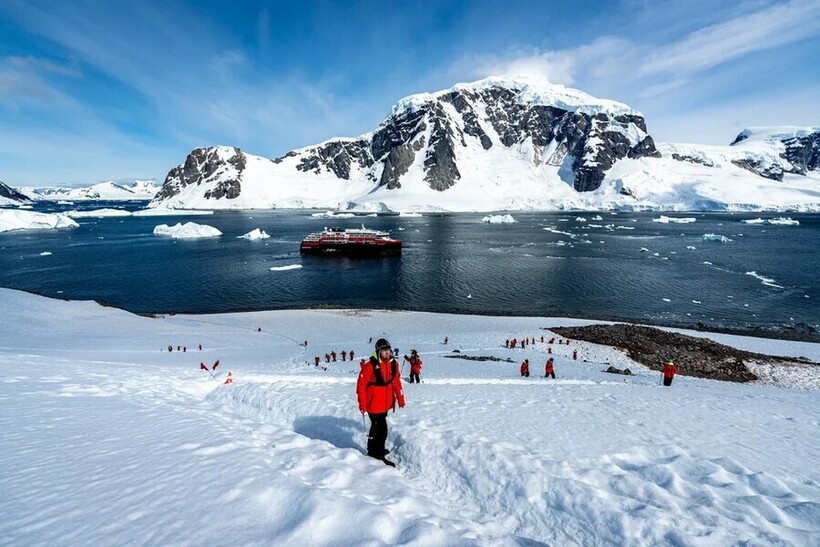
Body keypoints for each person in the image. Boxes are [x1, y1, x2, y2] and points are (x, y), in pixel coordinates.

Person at [357, 338, 405, 467]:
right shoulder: (369, 366)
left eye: (388, 351)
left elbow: (396, 382)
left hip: (385, 404)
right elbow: (361, 386)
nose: (386, 353)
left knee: (376, 427)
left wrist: (400, 398)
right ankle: (378, 455)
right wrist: (362, 404)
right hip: (373, 405)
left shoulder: (394, 364)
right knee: (382, 430)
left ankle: (373, 449)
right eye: (383, 351)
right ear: (378, 351)